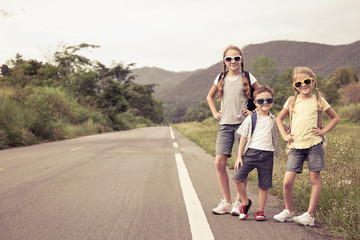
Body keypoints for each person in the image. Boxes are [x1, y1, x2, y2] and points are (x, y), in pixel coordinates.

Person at [274, 66, 340, 226]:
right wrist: (284, 135)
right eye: (299, 83)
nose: (303, 85)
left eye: (307, 81)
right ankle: (288, 211)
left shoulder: (318, 100)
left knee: (314, 179)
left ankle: (309, 215)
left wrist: (323, 131)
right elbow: (278, 119)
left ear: (313, 82)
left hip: (314, 145)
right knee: (287, 182)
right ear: (295, 86)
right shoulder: (291, 101)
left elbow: (335, 118)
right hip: (296, 146)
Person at [207, 45, 261, 215]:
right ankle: (226, 202)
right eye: (229, 59)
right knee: (219, 162)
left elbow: (262, 94)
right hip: (224, 124)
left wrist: (254, 111)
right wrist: (215, 112)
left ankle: (239, 202)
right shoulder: (221, 77)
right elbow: (209, 96)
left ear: (241, 59)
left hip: (243, 126)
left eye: (236, 58)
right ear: (224, 61)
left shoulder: (247, 76)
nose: (233, 62)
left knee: (240, 164)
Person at [233, 86, 281, 221]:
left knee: (264, 185)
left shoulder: (275, 119)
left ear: (272, 101)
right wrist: (239, 156)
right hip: (251, 153)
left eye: (269, 100)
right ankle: (245, 203)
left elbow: (287, 128)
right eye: (260, 101)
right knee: (237, 178)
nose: (265, 103)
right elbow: (243, 136)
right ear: (255, 103)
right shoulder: (251, 118)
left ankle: (260, 211)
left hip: (267, 155)